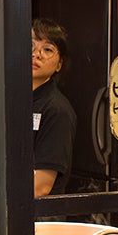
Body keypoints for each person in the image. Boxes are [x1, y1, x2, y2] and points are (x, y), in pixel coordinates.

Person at [30, 18, 75, 196]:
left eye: (47, 49)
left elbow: (41, 187)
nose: (36, 54)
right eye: (30, 46)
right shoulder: (12, 102)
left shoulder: (57, 110)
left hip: (40, 220)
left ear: (59, 64)